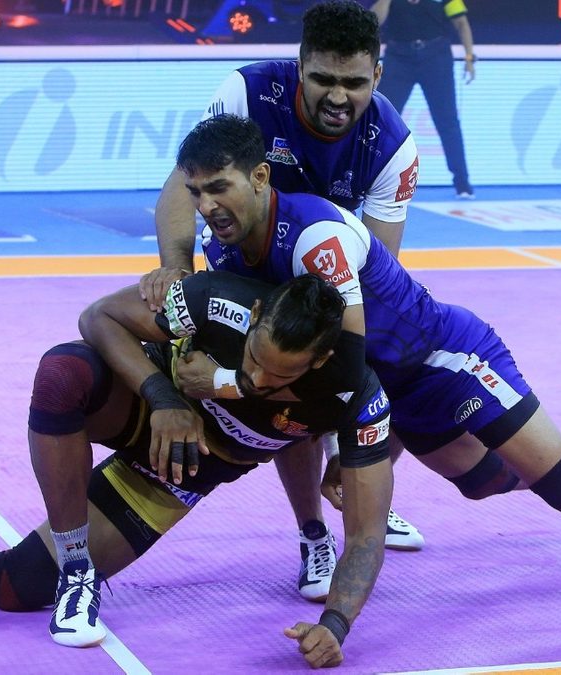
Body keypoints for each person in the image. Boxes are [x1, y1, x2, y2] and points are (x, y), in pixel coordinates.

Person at [158, 113, 561, 664]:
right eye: (196, 192)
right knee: (481, 483)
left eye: (219, 188)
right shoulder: (226, 251)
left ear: (260, 177)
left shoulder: (315, 238)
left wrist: (230, 384)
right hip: (389, 389)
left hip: (446, 361)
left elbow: (342, 369)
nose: (207, 205)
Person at [0, 272, 394, 666]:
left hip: (187, 469)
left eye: (280, 375)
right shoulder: (218, 299)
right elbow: (98, 316)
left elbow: (367, 536)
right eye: (253, 358)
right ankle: (76, 569)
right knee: (63, 374)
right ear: (253, 316)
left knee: (15, 585)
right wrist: (164, 398)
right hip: (146, 405)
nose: (256, 378)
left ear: (321, 361)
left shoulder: (357, 398)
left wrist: (335, 625)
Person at [147, 0, 426, 588]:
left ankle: (359, 484)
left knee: (401, 364)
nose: (337, 96)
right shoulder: (248, 93)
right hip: (245, 266)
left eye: (354, 83)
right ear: (299, 67)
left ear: (377, 76)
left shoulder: (393, 145)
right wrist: (175, 268)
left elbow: (378, 266)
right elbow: (185, 180)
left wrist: (342, 361)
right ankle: (313, 532)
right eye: (323, 78)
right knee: (283, 386)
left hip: (323, 269)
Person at [371, 0, 476, 199]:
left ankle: (462, 182)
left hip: (436, 57)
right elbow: (374, 21)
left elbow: (461, 23)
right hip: (399, 58)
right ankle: (370, 177)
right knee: (381, 120)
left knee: (447, 121)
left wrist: (469, 57)